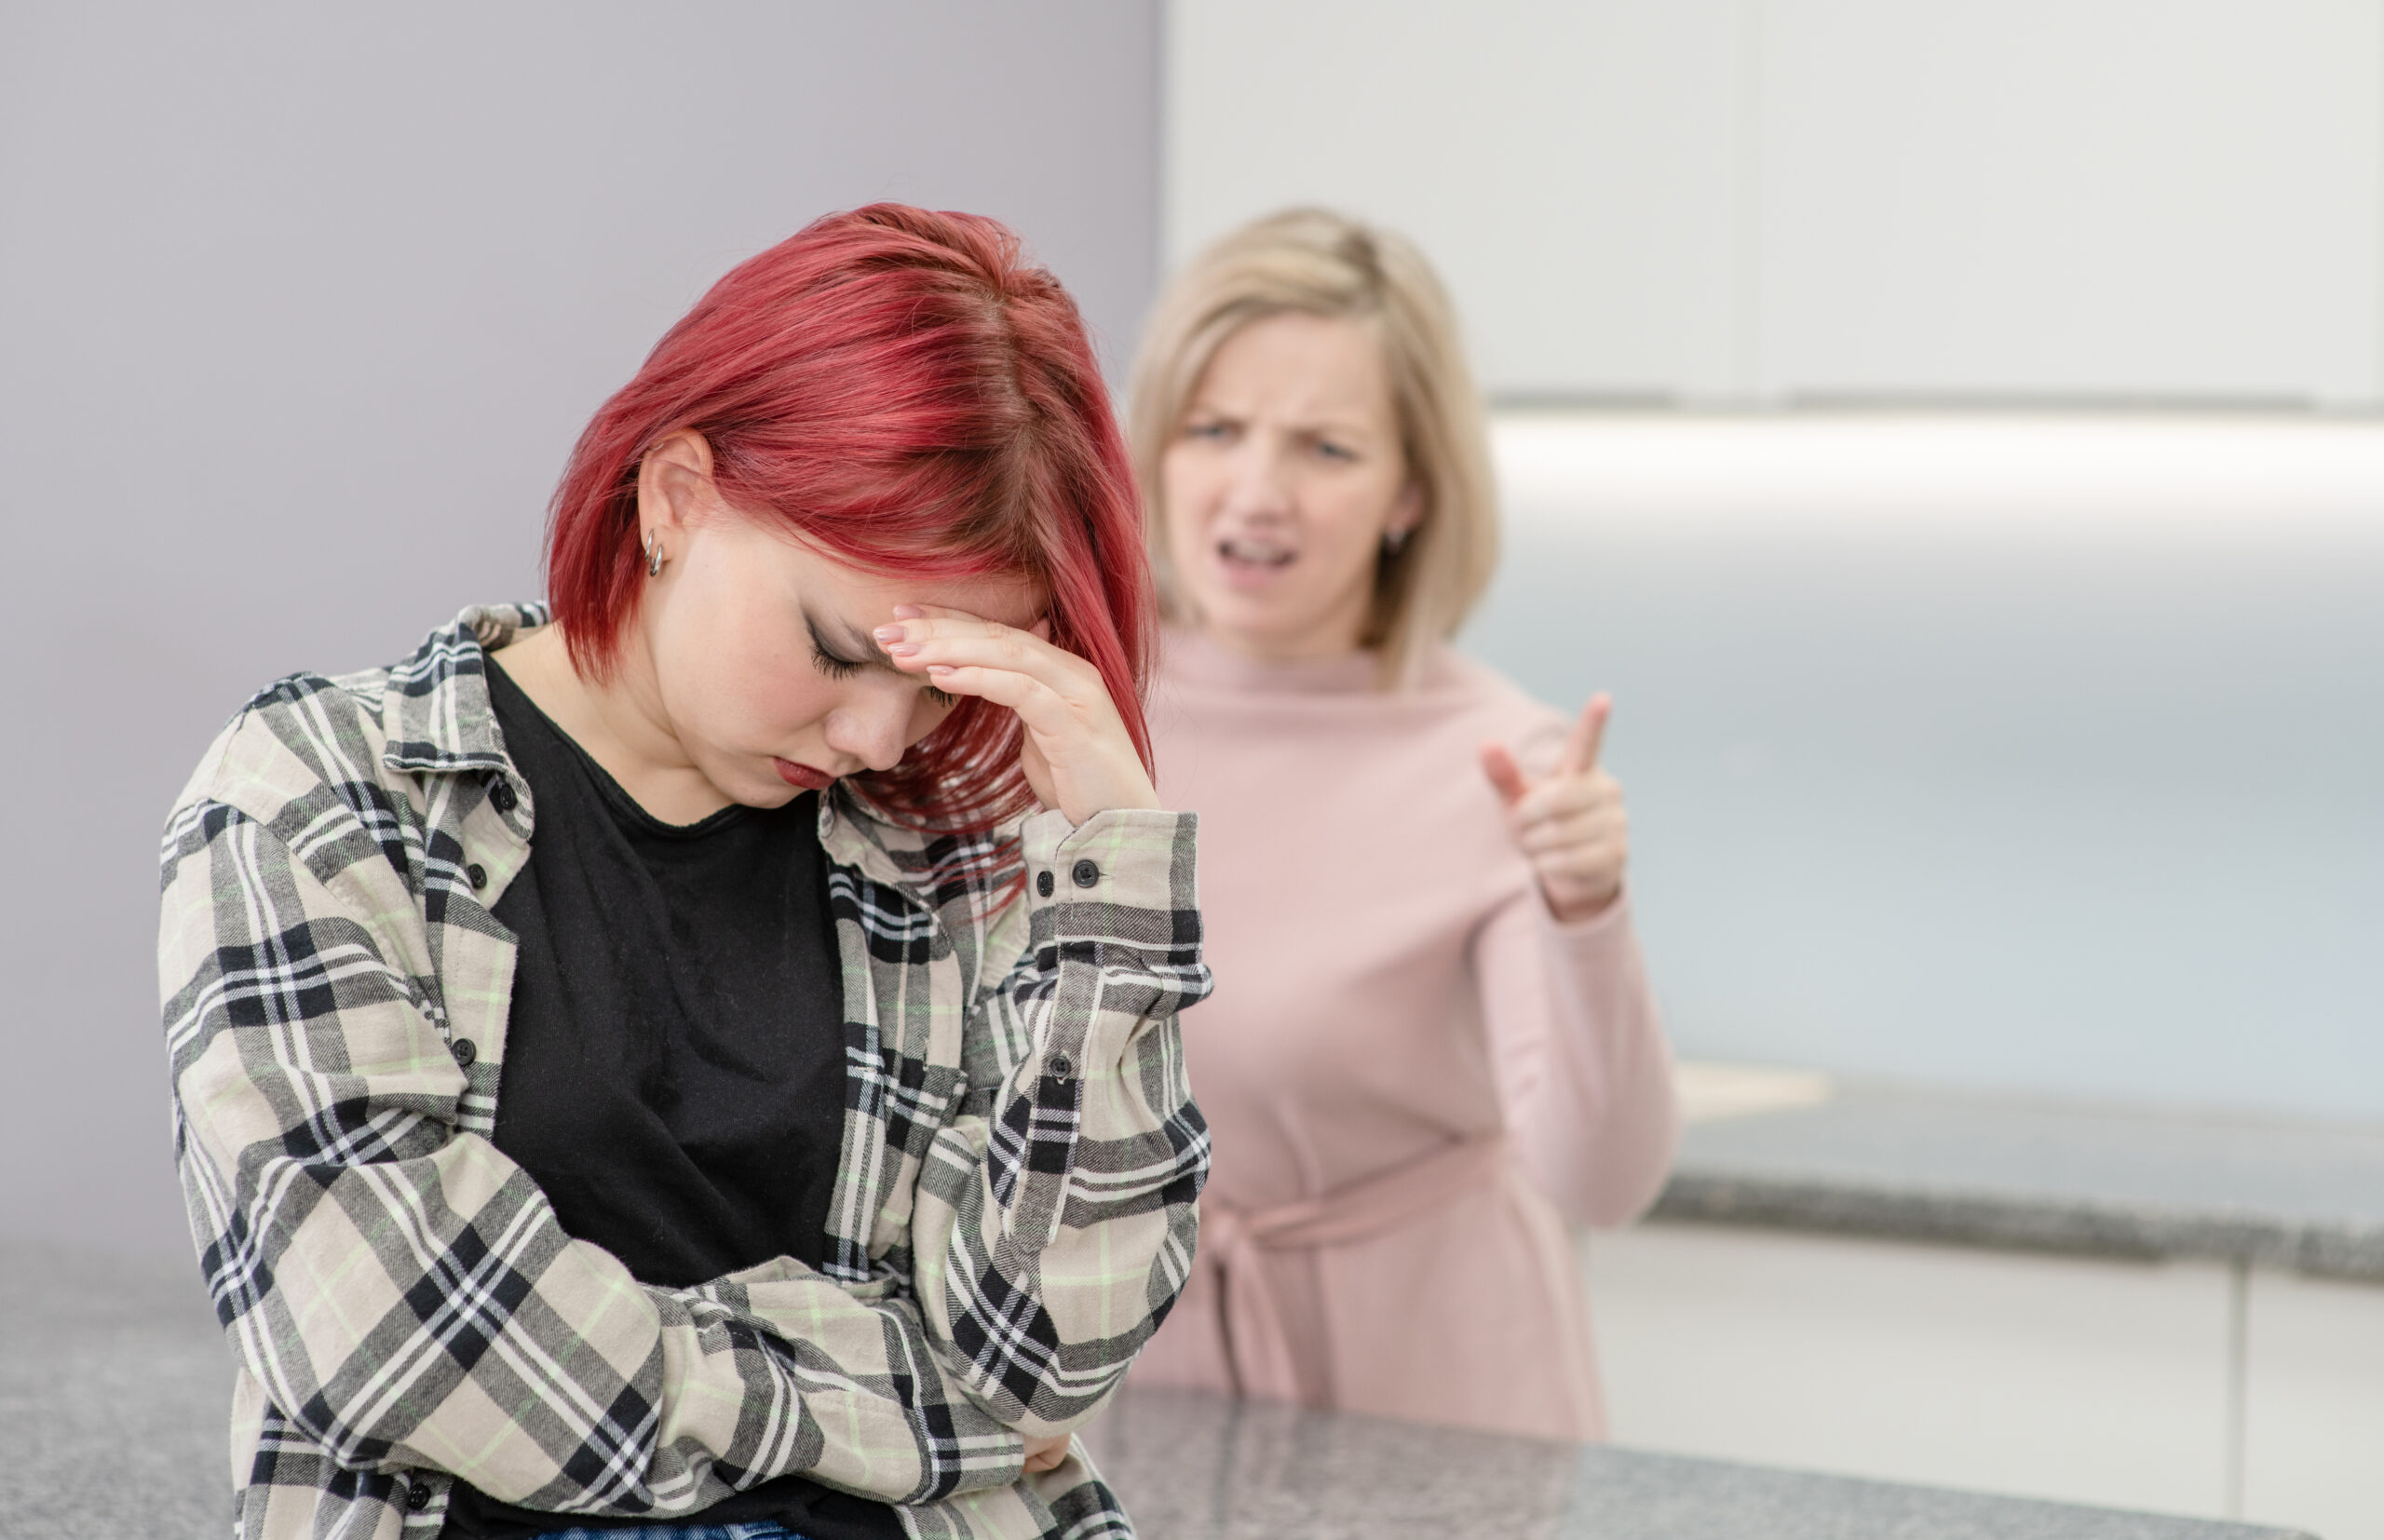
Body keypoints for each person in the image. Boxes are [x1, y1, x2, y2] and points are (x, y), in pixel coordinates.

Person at [156, 205, 1210, 1540]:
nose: (881, 737)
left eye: (942, 683)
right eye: (839, 650)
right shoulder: (323, 794)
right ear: (675, 499)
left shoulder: (950, 855)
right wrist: (914, 1415)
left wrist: (1115, 891)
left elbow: (1047, 1356)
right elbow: (389, 1337)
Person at [1119, 209, 1678, 1441]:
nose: (1257, 491)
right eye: (1214, 430)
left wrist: (1586, 913)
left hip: (1435, 1406)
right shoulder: (1071, 719)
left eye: (1326, 448)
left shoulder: (1506, 763)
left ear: (1411, 490)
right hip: (1125, 1396)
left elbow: (1606, 1179)